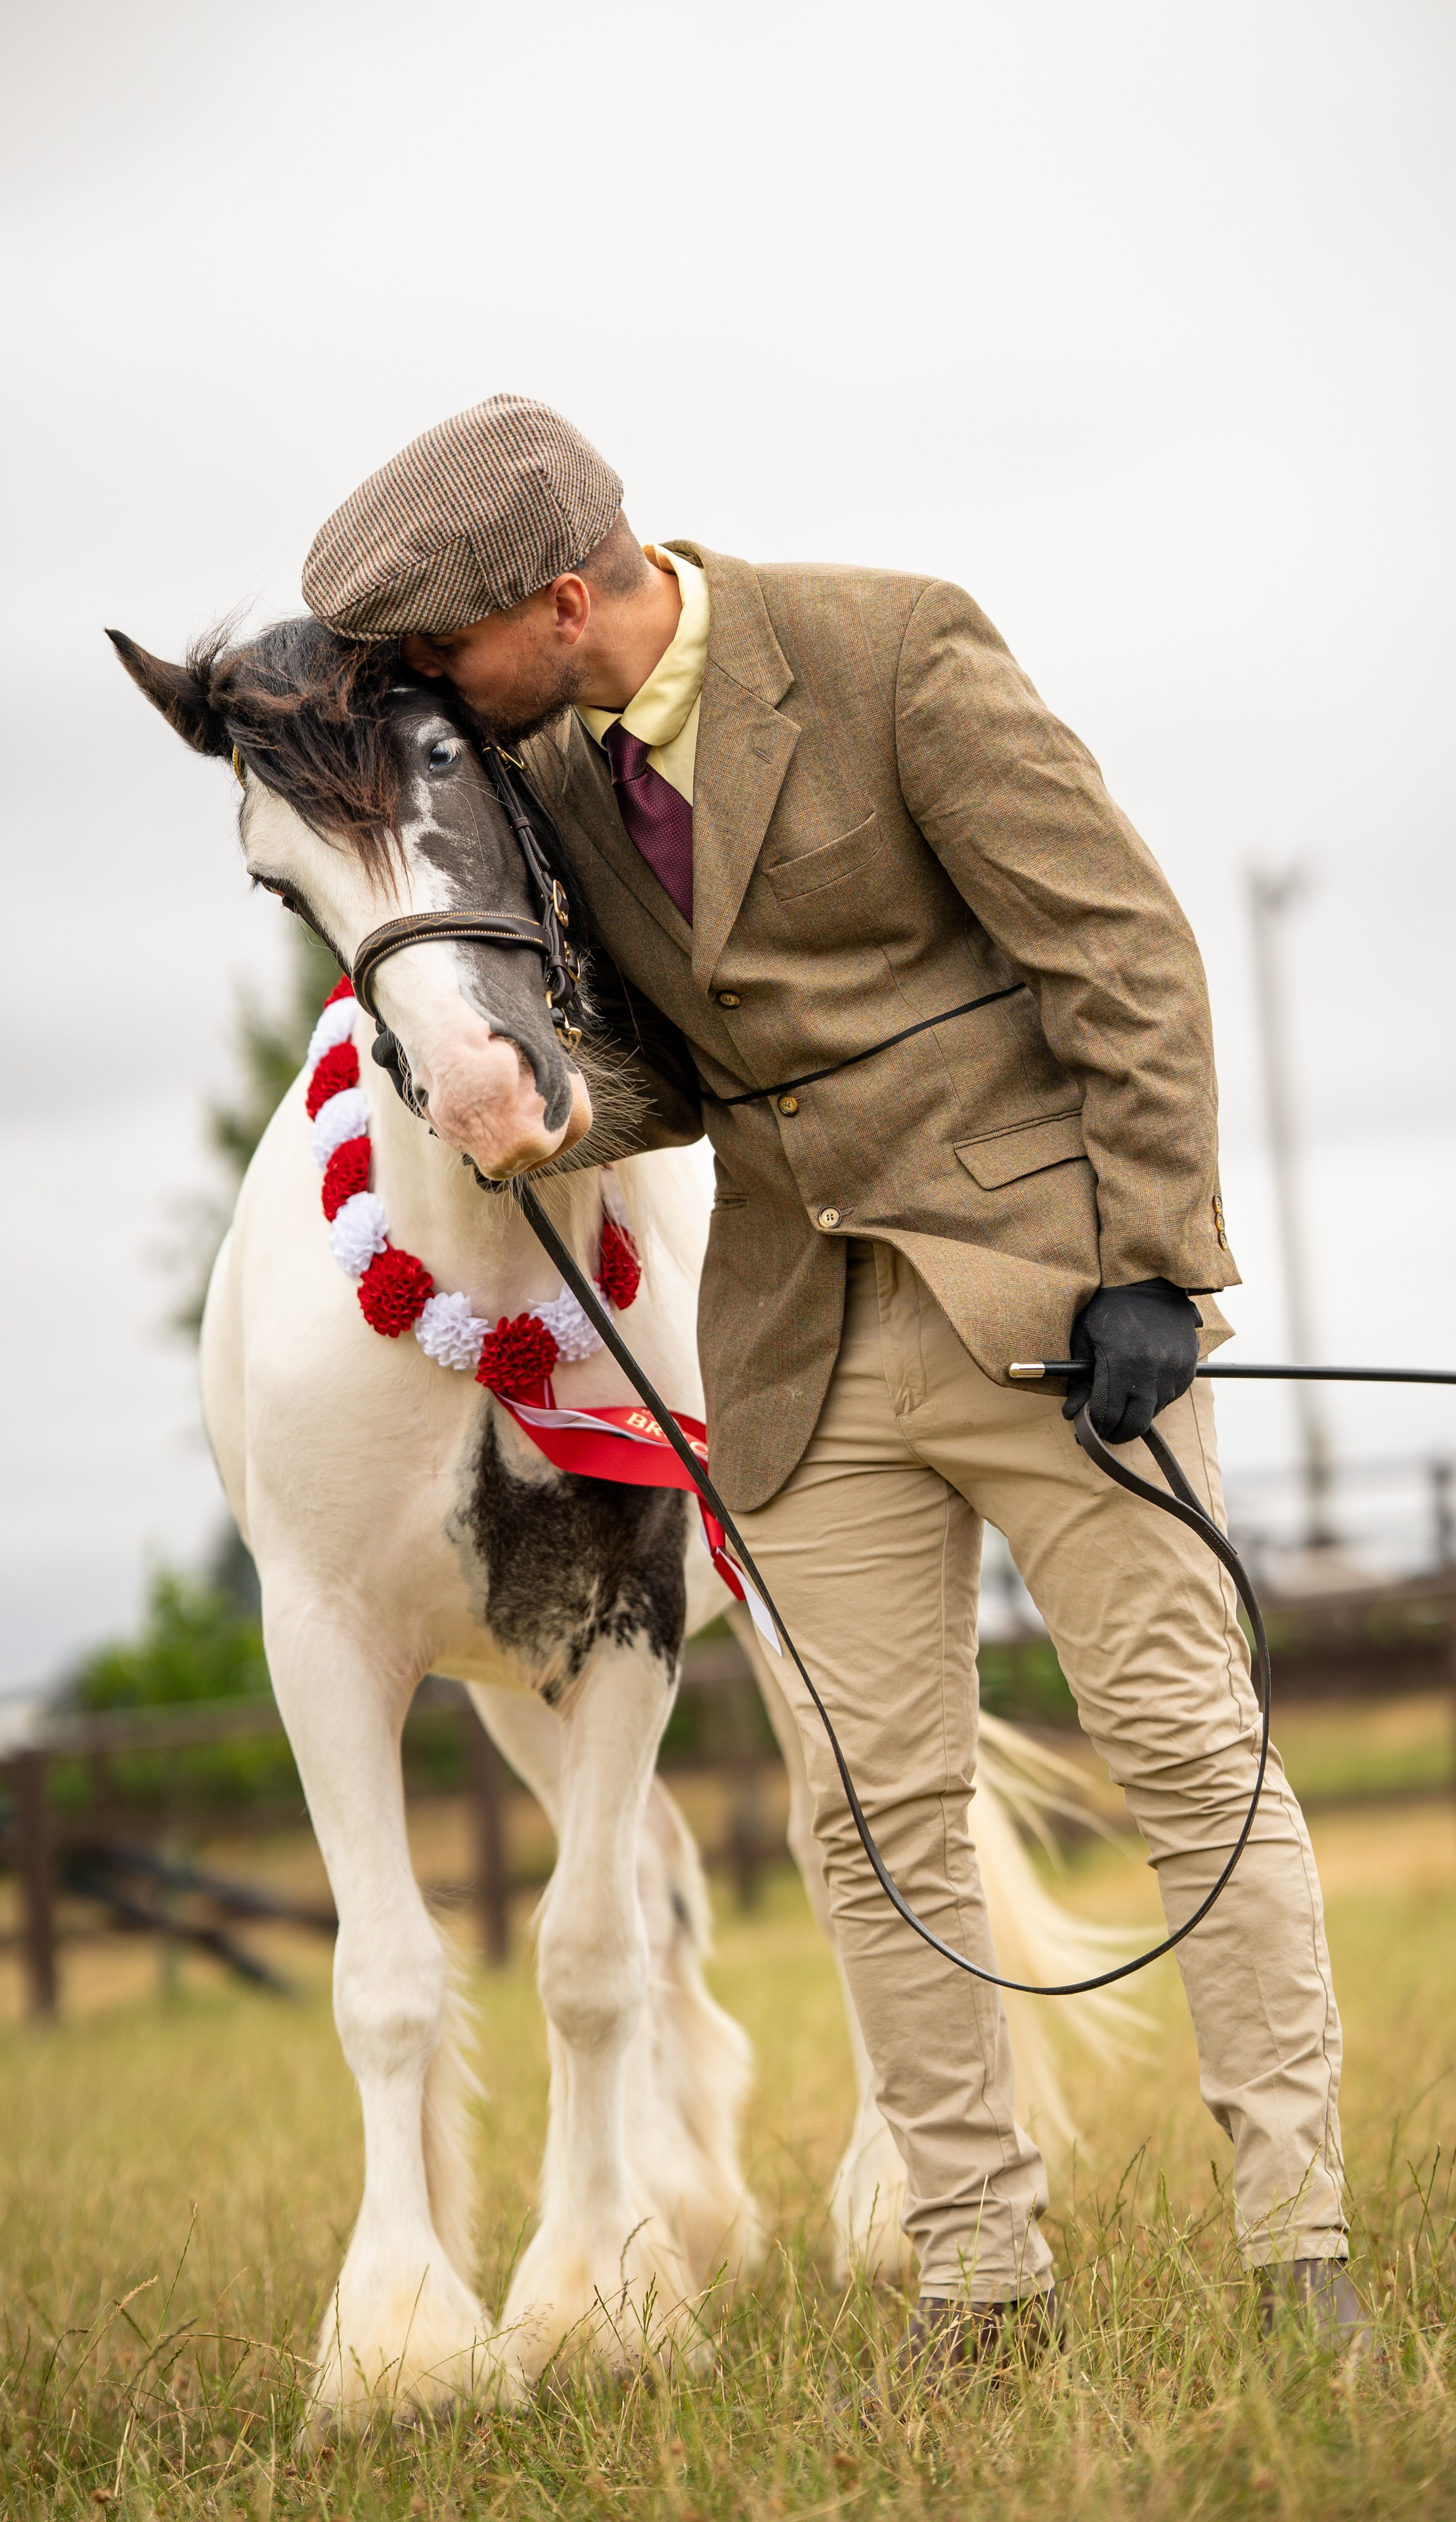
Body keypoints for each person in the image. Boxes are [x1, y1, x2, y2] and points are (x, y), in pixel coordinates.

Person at [299, 394, 1359, 2360]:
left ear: (555, 600)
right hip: (802, 1347)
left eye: (446, 662)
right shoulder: (542, 771)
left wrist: (1152, 1262)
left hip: (1055, 1313)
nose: (438, 706)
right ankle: (977, 2279)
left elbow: (1127, 955)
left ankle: (1305, 2252)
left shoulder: (895, 649)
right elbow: (680, 1075)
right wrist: (550, 1114)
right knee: (872, 1816)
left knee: (1191, 1758)